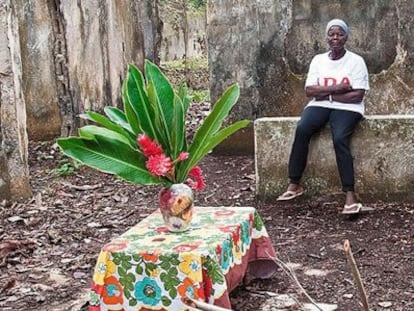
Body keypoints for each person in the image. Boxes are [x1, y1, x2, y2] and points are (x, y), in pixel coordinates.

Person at [277, 19, 369, 215]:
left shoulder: (356, 61)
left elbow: (357, 95)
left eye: (340, 34)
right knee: (302, 129)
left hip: (349, 108)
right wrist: (338, 88)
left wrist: (325, 92)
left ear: (346, 37)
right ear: (327, 37)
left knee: (340, 138)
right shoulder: (318, 60)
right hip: (320, 105)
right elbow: (310, 91)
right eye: (331, 34)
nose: (335, 38)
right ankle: (294, 184)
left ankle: (350, 195)